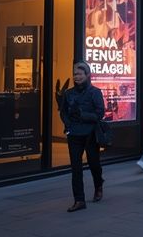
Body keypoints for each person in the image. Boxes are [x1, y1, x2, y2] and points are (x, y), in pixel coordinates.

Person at [59, 62, 106, 212]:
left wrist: (82, 115)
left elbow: (100, 114)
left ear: (87, 75)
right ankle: (79, 200)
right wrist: (68, 125)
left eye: (80, 74)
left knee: (94, 163)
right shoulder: (68, 93)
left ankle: (98, 185)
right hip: (74, 134)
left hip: (90, 134)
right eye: (75, 74)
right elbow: (63, 112)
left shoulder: (95, 92)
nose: (76, 77)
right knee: (76, 168)